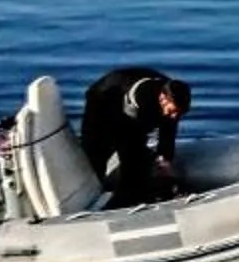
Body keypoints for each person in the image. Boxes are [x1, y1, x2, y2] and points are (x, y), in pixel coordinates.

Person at [79, 66, 191, 207]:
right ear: (163, 99)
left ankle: (133, 191)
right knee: (100, 148)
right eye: (173, 111)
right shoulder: (142, 99)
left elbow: (169, 129)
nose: (175, 116)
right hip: (103, 99)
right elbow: (128, 135)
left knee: (139, 157)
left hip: (128, 95)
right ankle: (101, 195)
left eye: (179, 113)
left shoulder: (173, 97)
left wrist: (165, 157)